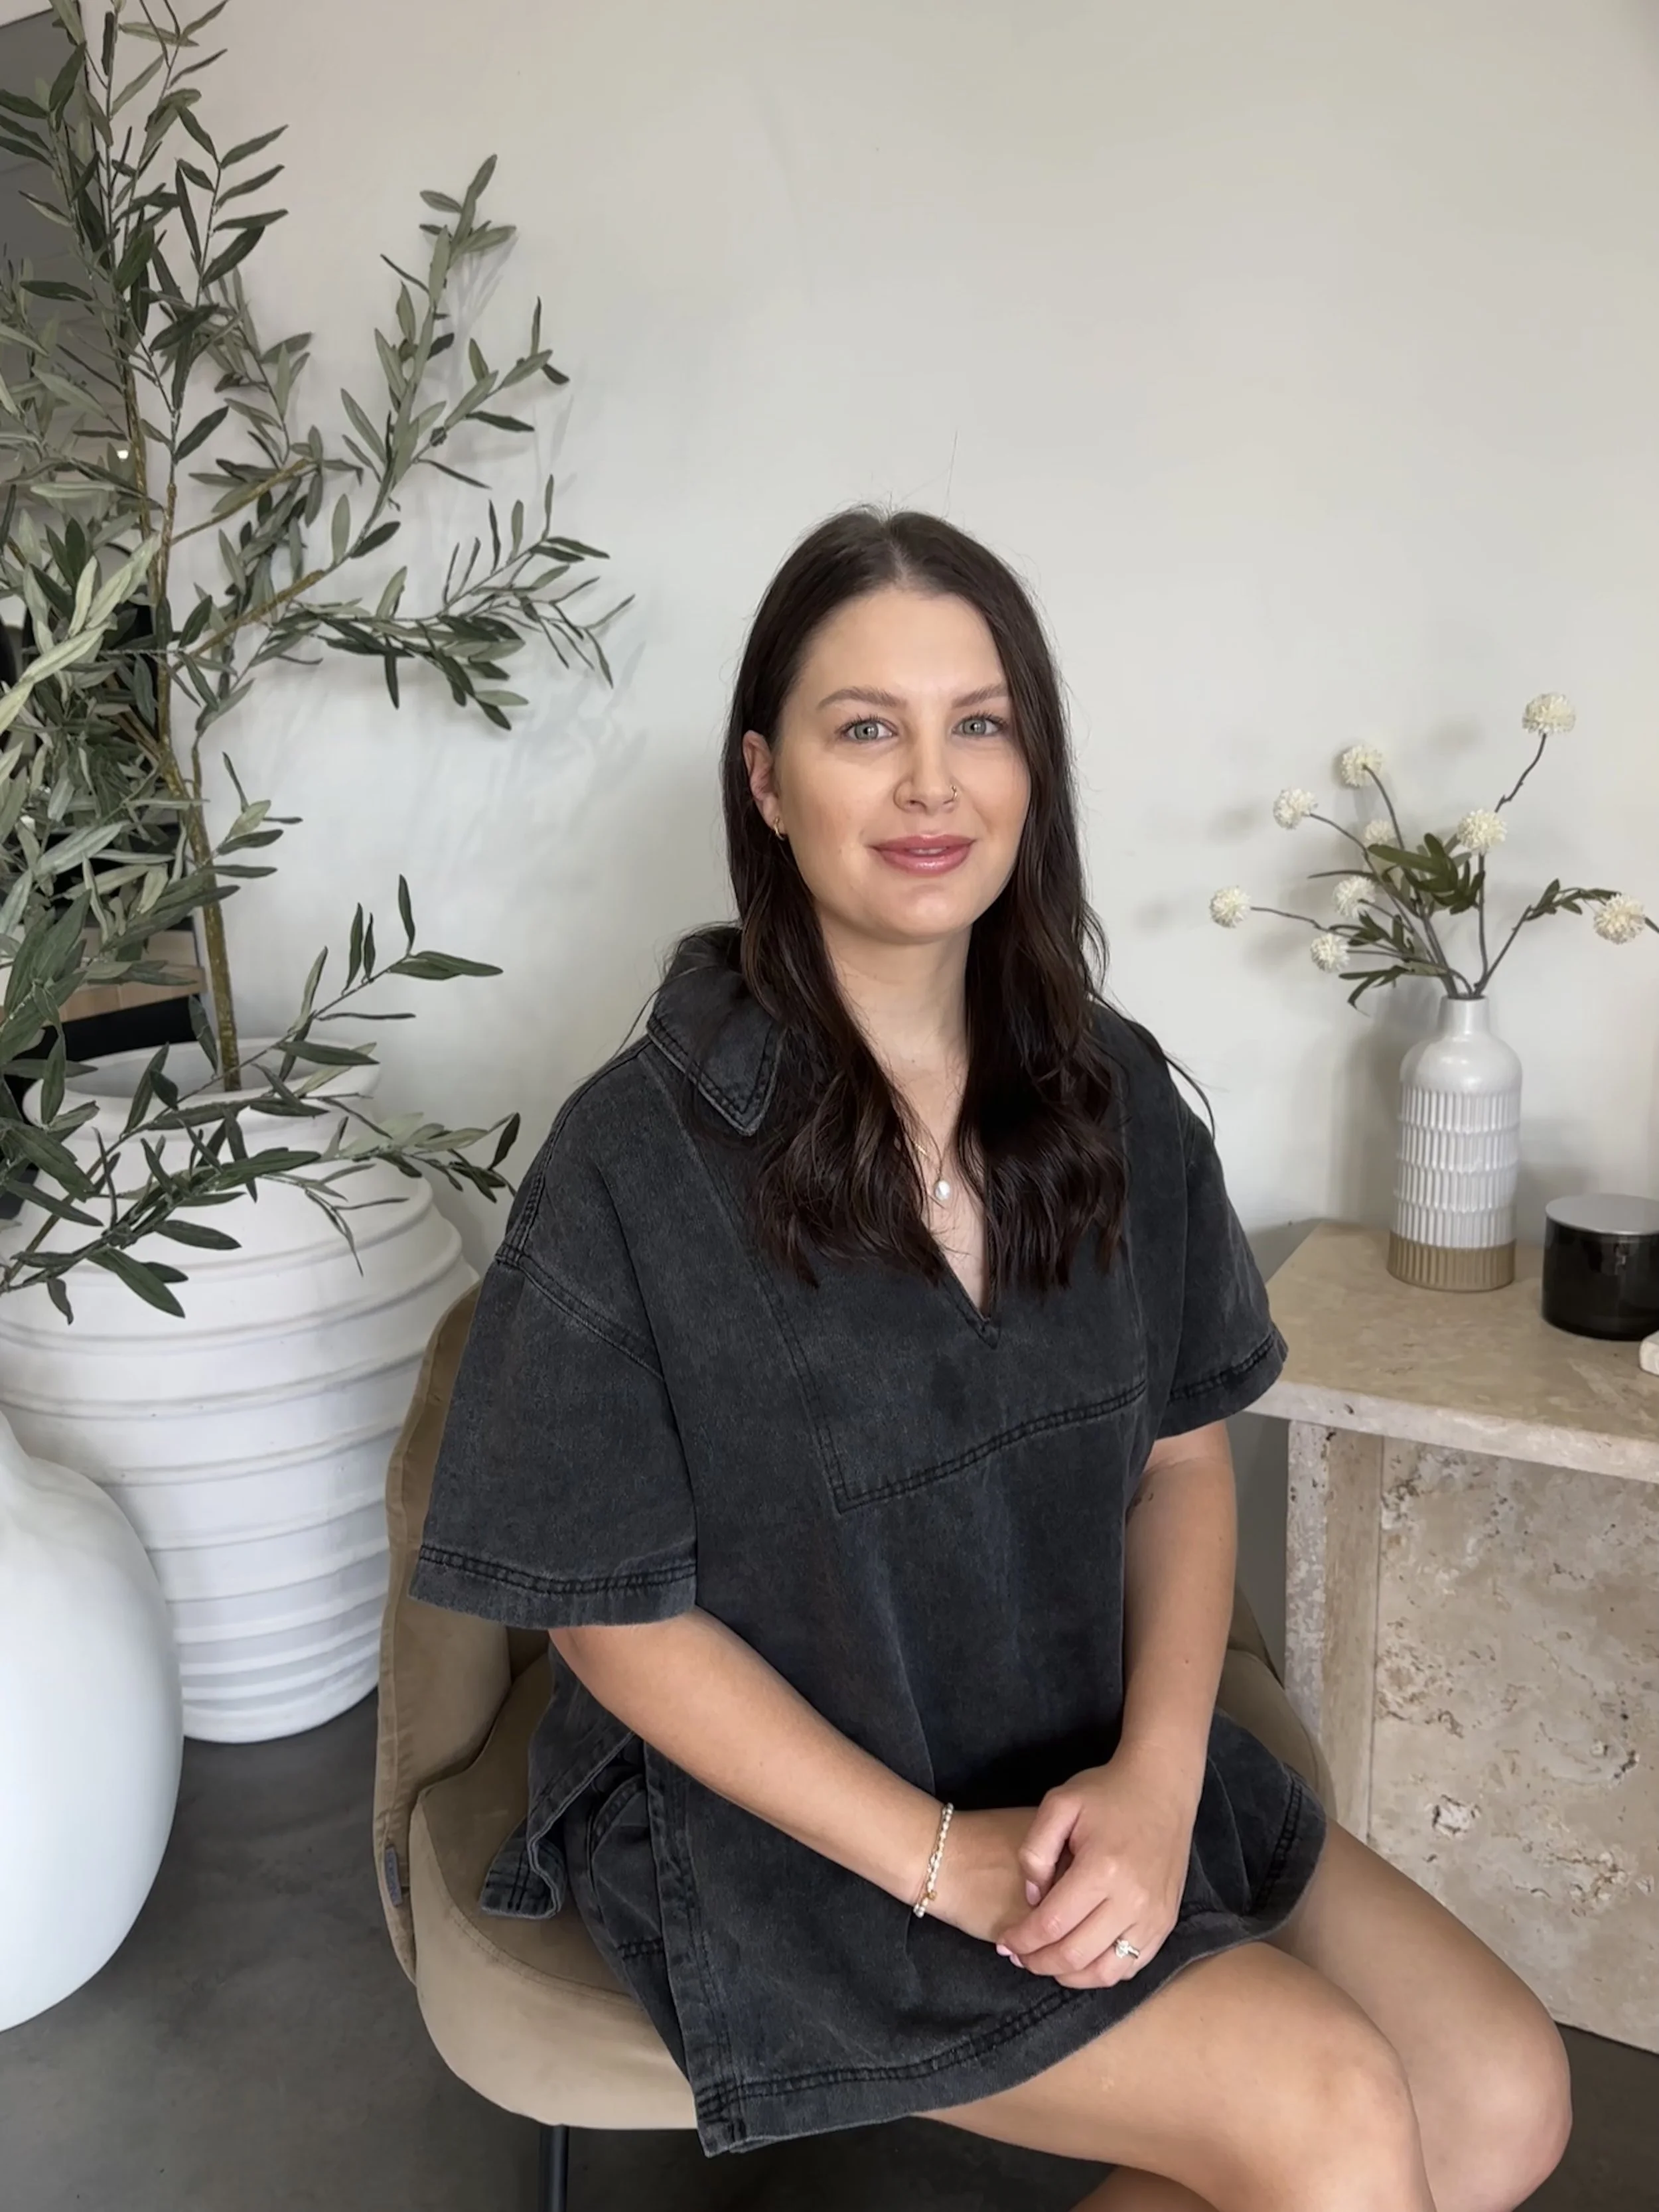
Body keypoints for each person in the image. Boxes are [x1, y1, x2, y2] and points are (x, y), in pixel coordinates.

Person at [410, 506, 1571, 2209]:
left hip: (1071, 1740)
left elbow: (1179, 1455)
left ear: (1033, 769)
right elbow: (606, 1614)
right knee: (1327, 2119)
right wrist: (946, 1865)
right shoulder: (630, 1162)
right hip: (787, 1829)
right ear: (764, 778)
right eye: (863, 728)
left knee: (1500, 2097)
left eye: (981, 724)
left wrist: (1158, 1778)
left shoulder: (1107, 1096)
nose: (930, 784)